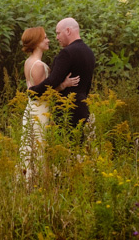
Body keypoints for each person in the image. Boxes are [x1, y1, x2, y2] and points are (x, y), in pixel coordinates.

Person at [20, 26, 79, 179]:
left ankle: (30, 178)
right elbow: (42, 92)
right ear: (37, 42)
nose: (48, 40)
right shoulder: (38, 65)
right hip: (40, 111)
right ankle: (38, 179)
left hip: (32, 108)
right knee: (40, 145)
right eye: (45, 38)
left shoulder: (28, 62)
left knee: (31, 145)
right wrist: (64, 85)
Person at [27, 18, 96, 129]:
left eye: (58, 33)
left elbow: (52, 81)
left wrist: (33, 92)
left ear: (68, 31)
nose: (56, 37)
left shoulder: (67, 53)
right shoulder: (89, 52)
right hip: (83, 109)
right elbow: (87, 85)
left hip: (66, 111)